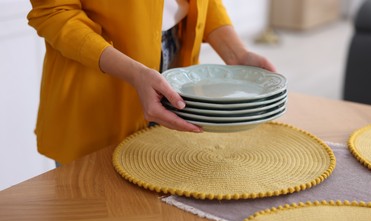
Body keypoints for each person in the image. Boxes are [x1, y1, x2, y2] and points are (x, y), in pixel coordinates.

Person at [27, 0, 276, 165]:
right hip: (97, 79)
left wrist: (237, 54)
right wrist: (134, 72)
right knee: (91, 219)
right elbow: (55, 11)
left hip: (174, 59)